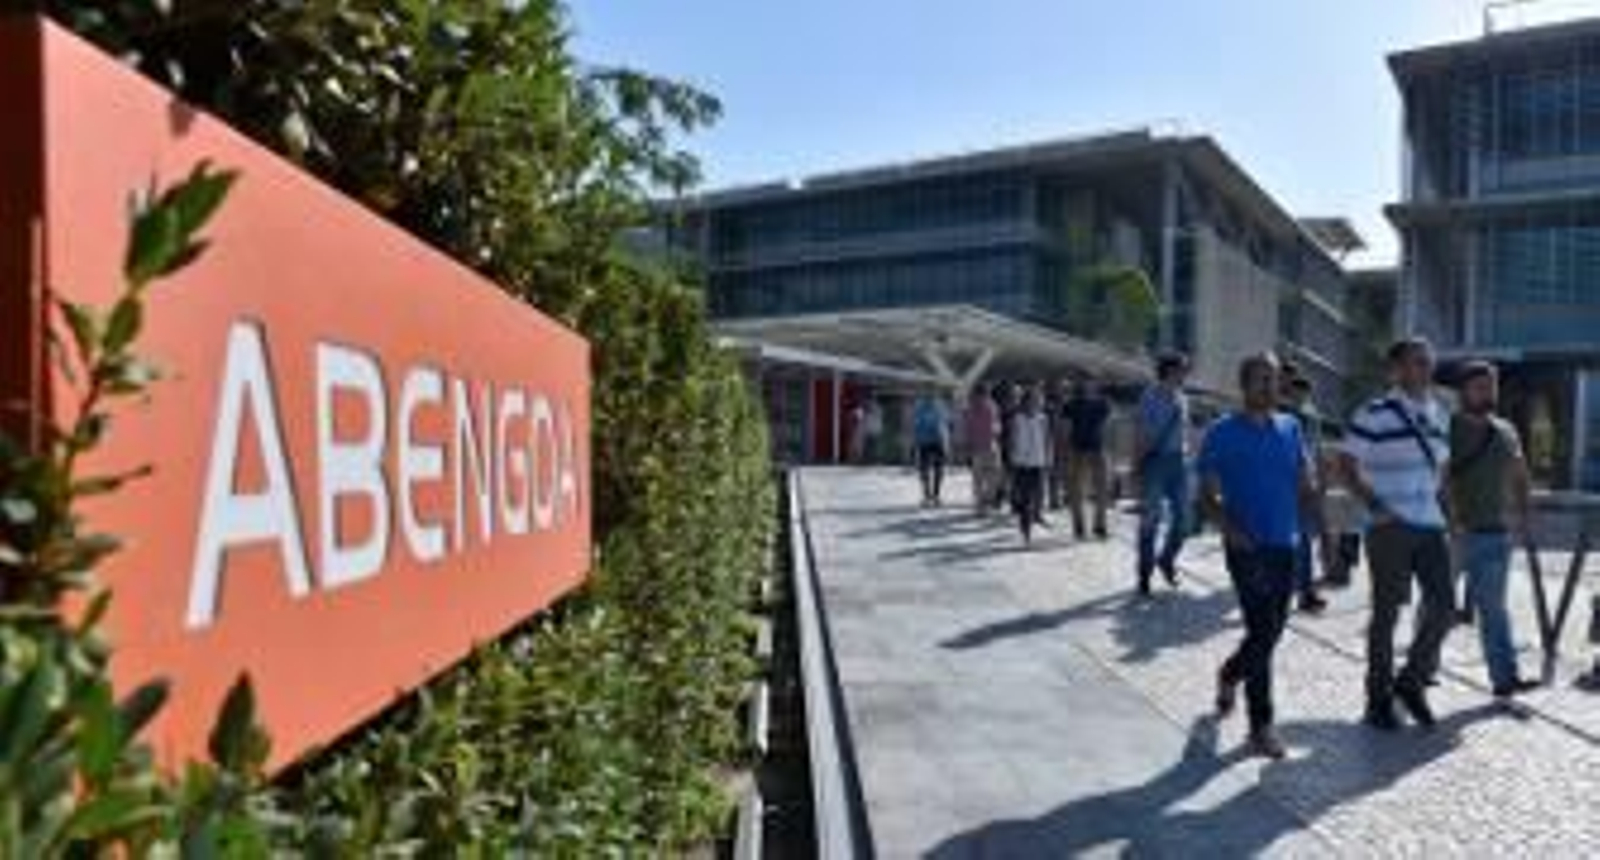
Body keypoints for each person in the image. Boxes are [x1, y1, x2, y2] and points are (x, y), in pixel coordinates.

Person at [1199, 352, 1314, 759]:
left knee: (1272, 631)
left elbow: (1304, 482)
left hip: (1286, 543)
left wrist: (1322, 531)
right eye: (1262, 379)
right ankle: (1261, 725)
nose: (1270, 386)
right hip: (1245, 547)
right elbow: (1205, 496)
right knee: (1263, 628)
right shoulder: (1221, 433)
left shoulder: (1291, 427)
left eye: (1274, 379)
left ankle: (1230, 672)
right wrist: (1229, 529)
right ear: (1244, 384)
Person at [1337, 337, 1453, 730]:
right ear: (1396, 369)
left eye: (1428, 361)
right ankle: (1377, 698)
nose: (1425, 368)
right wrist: (1376, 507)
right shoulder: (1374, 412)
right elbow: (1345, 464)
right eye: (1417, 362)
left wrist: (1447, 513)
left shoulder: (1439, 413)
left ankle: (1410, 681)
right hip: (1391, 526)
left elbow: (1441, 470)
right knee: (1387, 614)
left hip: (1431, 523)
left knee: (1444, 606)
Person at [1444, 361, 1541, 699]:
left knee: (1494, 610)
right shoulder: (1447, 427)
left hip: (1495, 532)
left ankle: (1505, 678)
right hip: (1452, 535)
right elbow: (1438, 477)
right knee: (1436, 606)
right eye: (1481, 386)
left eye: (1492, 386)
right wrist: (1451, 520)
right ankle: (1420, 671)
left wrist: (1524, 516)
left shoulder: (1506, 430)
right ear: (1464, 391)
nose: (1488, 392)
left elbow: (1520, 473)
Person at [1135, 353, 1192, 595]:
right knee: (1151, 519)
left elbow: (1185, 432)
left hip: (1179, 461)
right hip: (1156, 461)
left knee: (1185, 520)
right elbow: (1141, 432)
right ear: (1169, 371)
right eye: (1182, 370)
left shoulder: (1182, 398)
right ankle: (1145, 572)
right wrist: (1137, 464)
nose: (1185, 374)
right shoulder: (1149, 396)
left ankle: (1166, 559)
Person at [1280, 372, 1330, 614]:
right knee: (1287, 539)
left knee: (1305, 538)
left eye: (1304, 394)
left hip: (1305, 484)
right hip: (1285, 484)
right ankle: (1290, 588)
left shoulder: (1312, 418)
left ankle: (1306, 592)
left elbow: (1318, 450)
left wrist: (1321, 480)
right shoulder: (1282, 416)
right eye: (1296, 394)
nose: (1300, 398)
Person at [1062, 377, 1113, 539]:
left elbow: (1107, 427)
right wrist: (1065, 451)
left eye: (1092, 382)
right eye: (1086, 381)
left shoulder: (1103, 403)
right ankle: (1079, 524)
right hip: (1077, 448)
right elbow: (1066, 428)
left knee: (1102, 487)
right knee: (1077, 489)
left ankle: (1100, 524)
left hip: (1098, 448)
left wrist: (1108, 449)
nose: (1089, 385)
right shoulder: (1071, 404)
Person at [1010, 385, 1052, 545]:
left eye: (1037, 401)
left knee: (1038, 493)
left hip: (1038, 461)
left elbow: (1047, 438)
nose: (1034, 404)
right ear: (1024, 402)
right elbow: (1012, 438)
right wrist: (1012, 456)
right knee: (1025, 496)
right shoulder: (1017, 419)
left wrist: (1048, 457)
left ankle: (1035, 516)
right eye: (1031, 401)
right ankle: (1025, 528)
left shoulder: (1043, 419)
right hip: (1021, 462)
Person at [965, 387, 1003, 512]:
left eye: (984, 396)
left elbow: (998, 426)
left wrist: (996, 432)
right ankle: (980, 505)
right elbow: (968, 430)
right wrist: (967, 446)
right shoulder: (970, 410)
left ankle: (987, 498)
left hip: (992, 446)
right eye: (979, 396)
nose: (981, 399)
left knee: (995, 477)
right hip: (977, 448)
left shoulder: (993, 408)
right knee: (978, 479)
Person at [913, 392, 951, 506]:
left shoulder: (940, 407)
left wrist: (946, 441)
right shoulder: (920, 407)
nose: (930, 397)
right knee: (926, 469)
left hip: (936, 441)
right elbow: (916, 425)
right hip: (926, 441)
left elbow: (946, 424)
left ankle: (935, 495)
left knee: (937, 469)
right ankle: (928, 495)